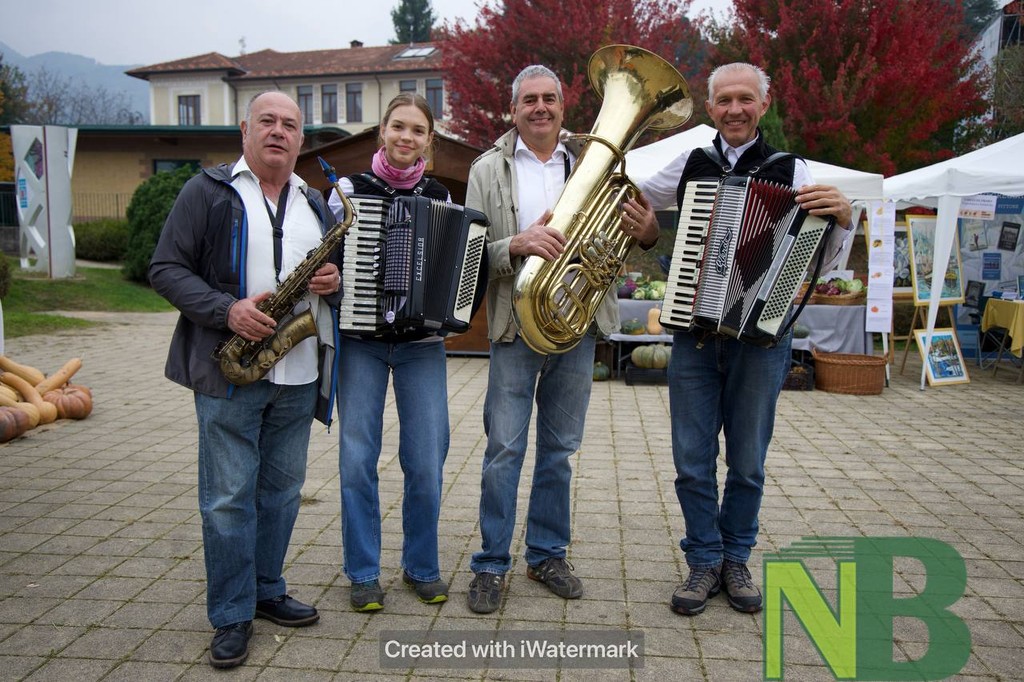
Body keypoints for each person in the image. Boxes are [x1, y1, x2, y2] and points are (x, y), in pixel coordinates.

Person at [629, 62, 854, 617]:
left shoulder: (792, 170)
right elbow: (634, 197)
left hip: (761, 338)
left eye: (745, 99)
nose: (734, 109)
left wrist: (845, 218)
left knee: (748, 461)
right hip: (694, 335)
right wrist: (651, 233)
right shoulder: (692, 162)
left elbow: (824, 260)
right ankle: (704, 559)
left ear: (764, 103)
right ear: (710, 108)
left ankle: (735, 558)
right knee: (692, 460)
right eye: (724, 100)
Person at [149, 91, 342, 668]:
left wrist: (332, 281)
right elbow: (165, 268)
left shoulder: (315, 202)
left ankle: (266, 589)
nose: (278, 131)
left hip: (298, 370)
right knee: (229, 499)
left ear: (301, 139)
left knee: (281, 492)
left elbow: (333, 281)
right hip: (231, 369)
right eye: (267, 121)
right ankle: (232, 614)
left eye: (290, 124)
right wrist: (226, 310)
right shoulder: (208, 191)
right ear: (244, 130)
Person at [463, 65, 660, 614]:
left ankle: (547, 554)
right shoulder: (486, 168)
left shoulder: (596, 162)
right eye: (529, 99)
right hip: (514, 325)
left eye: (549, 98)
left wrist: (648, 233)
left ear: (563, 106)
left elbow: (626, 235)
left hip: (577, 324)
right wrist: (516, 244)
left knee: (560, 450)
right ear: (514, 109)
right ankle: (491, 563)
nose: (540, 107)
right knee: (504, 449)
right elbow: (467, 253)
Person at [327, 93, 453, 613]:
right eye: (398, 126)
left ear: (429, 140)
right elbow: (328, 264)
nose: (406, 137)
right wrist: (340, 283)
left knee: (425, 460)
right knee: (358, 459)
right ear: (382, 131)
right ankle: (362, 573)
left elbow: (450, 264)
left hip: (422, 346)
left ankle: (421, 566)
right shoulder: (347, 191)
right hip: (362, 342)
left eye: (417, 130)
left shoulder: (440, 195)